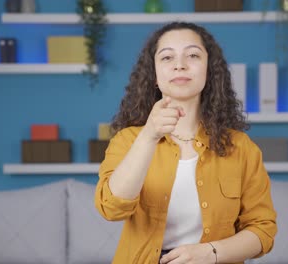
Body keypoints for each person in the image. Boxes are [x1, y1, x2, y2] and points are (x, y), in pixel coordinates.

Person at [95, 21, 277, 264]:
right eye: (167, 57)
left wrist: (212, 252)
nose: (180, 65)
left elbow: (263, 231)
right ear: (155, 77)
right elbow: (112, 208)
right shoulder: (128, 140)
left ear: (209, 71)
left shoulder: (242, 148)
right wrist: (149, 135)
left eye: (192, 55)